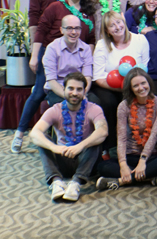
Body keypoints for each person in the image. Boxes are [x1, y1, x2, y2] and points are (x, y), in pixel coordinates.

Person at [14, 0, 97, 154]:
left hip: (77, 55)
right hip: (52, 53)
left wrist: (86, 58)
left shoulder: (87, 12)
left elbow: (90, 39)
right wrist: (34, 55)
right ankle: (20, 133)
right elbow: (41, 30)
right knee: (38, 93)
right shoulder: (55, 7)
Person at [30, 73, 108, 202]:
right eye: (71, 88)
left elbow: (103, 131)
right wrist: (54, 147)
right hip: (63, 158)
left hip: (85, 161)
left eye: (79, 89)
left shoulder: (94, 109)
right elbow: (34, 133)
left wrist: (80, 146)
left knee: (96, 139)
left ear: (84, 91)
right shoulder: (55, 110)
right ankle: (56, 182)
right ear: (64, 89)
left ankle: (76, 183)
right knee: (42, 139)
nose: (74, 93)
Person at [95, 68, 157, 190]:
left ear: (149, 83)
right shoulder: (124, 106)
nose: (141, 88)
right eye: (135, 85)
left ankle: (121, 181)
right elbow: (121, 137)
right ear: (130, 88)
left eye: (143, 83)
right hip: (130, 156)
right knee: (102, 166)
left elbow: (155, 134)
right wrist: (123, 165)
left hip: (152, 156)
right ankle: (149, 177)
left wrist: (143, 160)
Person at [93, 11, 150, 152]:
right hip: (108, 86)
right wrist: (121, 88)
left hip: (135, 86)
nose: (117, 27)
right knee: (109, 103)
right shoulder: (101, 45)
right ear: (107, 31)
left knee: (138, 101)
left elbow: (145, 68)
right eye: (112, 25)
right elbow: (98, 77)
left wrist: (132, 88)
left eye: (118, 22)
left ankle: (140, 146)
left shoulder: (140, 40)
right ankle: (110, 147)